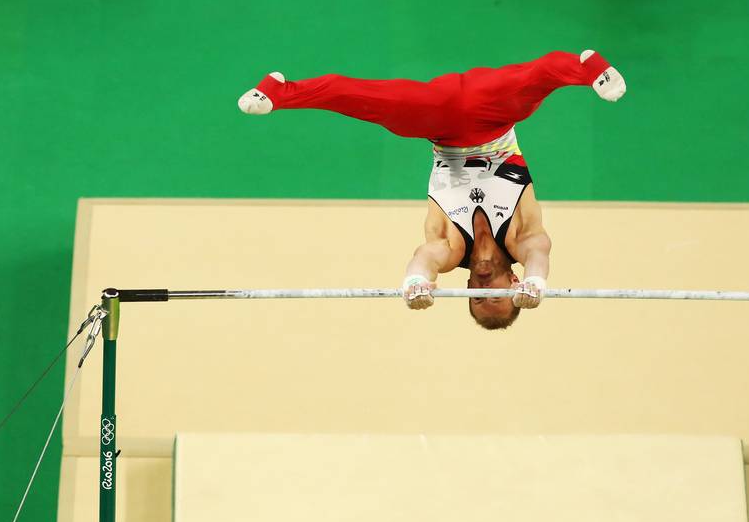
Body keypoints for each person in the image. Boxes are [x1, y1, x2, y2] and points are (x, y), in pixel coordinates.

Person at [237, 50, 626, 329]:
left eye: (477, 298)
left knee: (365, 99)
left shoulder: (450, 248)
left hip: (438, 125)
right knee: (530, 82)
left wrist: (416, 283)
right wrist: (537, 283)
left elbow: (424, 258)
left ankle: (280, 91)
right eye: (495, 297)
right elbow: (539, 256)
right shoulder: (524, 239)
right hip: (493, 118)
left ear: (467, 288)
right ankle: (587, 66)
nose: (483, 289)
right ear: (514, 283)